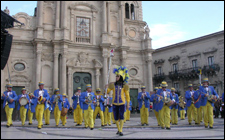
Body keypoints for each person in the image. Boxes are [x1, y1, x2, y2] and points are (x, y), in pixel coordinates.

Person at [106, 66, 130, 136]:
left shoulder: (125, 85)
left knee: (122, 116)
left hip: (122, 102)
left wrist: (128, 103)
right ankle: (119, 129)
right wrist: (106, 88)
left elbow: (127, 95)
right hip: (114, 103)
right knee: (115, 117)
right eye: (116, 76)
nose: (116, 78)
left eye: (118, 76)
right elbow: (107, 91)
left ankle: (121, 130)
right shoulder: (112, 85)